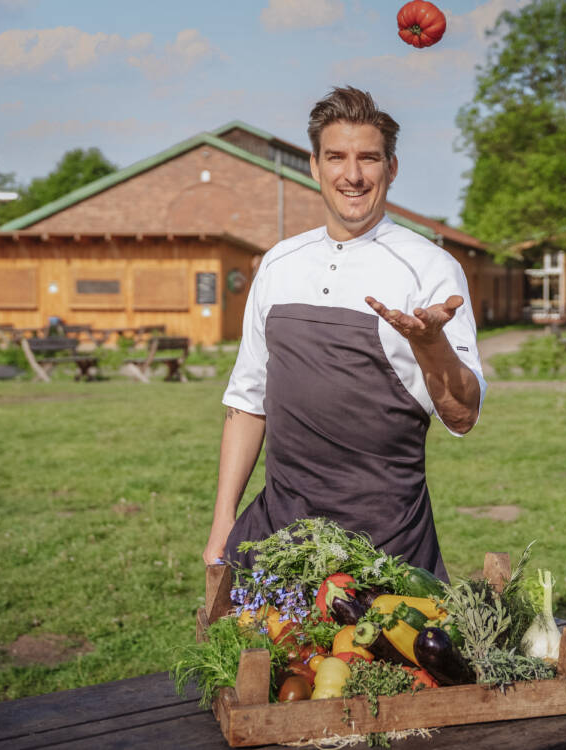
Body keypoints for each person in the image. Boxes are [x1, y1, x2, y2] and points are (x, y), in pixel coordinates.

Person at [202, 86, 486, 580]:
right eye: (336, 157)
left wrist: (430, 344)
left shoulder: (431, 270)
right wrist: (223, 521)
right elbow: (247, 400)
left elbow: (463, 416)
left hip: (388, 547)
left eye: (368, 158)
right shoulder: (278, 264)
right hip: (279, 539)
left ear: (391, 168)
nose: (352, 175)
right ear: (314, 166)